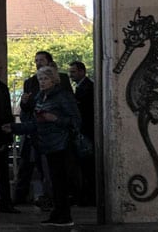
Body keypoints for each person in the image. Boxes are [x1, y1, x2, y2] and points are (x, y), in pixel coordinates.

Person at [3, 65, 80, 227]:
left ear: (54, 80)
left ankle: (64, 215)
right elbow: (34, 122)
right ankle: (58, 213)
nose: (43, 82)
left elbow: (75, 121)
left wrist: (55, 119)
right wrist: (15, 127)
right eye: (40, 79)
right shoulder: (41, 96)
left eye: (45, 79)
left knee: (59, 181)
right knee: (53, 180)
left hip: (60, 144)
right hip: (45, 144)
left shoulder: (62, 97)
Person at [0, 58, 20, 213]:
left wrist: (8, 134)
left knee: (3, 171)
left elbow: (7, 112)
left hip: (1, 134)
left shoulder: (3, 87)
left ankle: (6, 203)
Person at [69, 60, 96, 206]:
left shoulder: (87, 88)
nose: (71, 75)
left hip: (86, 132)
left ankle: (88, 197)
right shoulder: (82, 87)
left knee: (87, 167)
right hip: (84, 131)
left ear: (82, 71)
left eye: (73, 72)